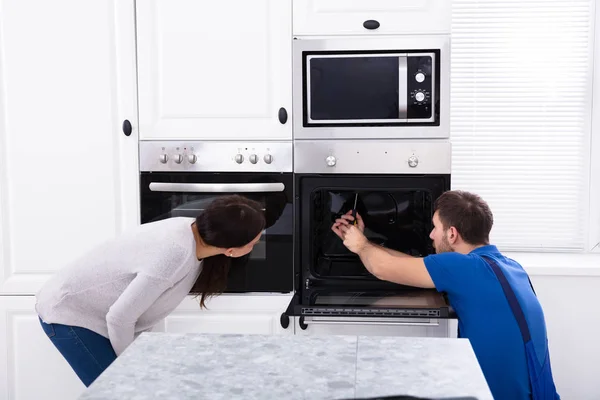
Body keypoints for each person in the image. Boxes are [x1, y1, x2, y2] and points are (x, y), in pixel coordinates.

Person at [332, 190, 559, 400]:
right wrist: (366, 241)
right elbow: (410, 265)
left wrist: (361, 246)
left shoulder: (463, 267)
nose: (431, 235)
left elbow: (382, 268)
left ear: (452, 234)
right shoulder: (511, 268)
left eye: (435, 227)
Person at [36, 194, 265, 387]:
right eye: (253, 243)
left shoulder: (196, 235)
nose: (255, 246)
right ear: (231, 251)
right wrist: (134, 368)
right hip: (71, 314)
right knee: (121, 392)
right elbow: (120, 318)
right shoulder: (175, 253)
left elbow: (140, 306)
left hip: (101, 315)